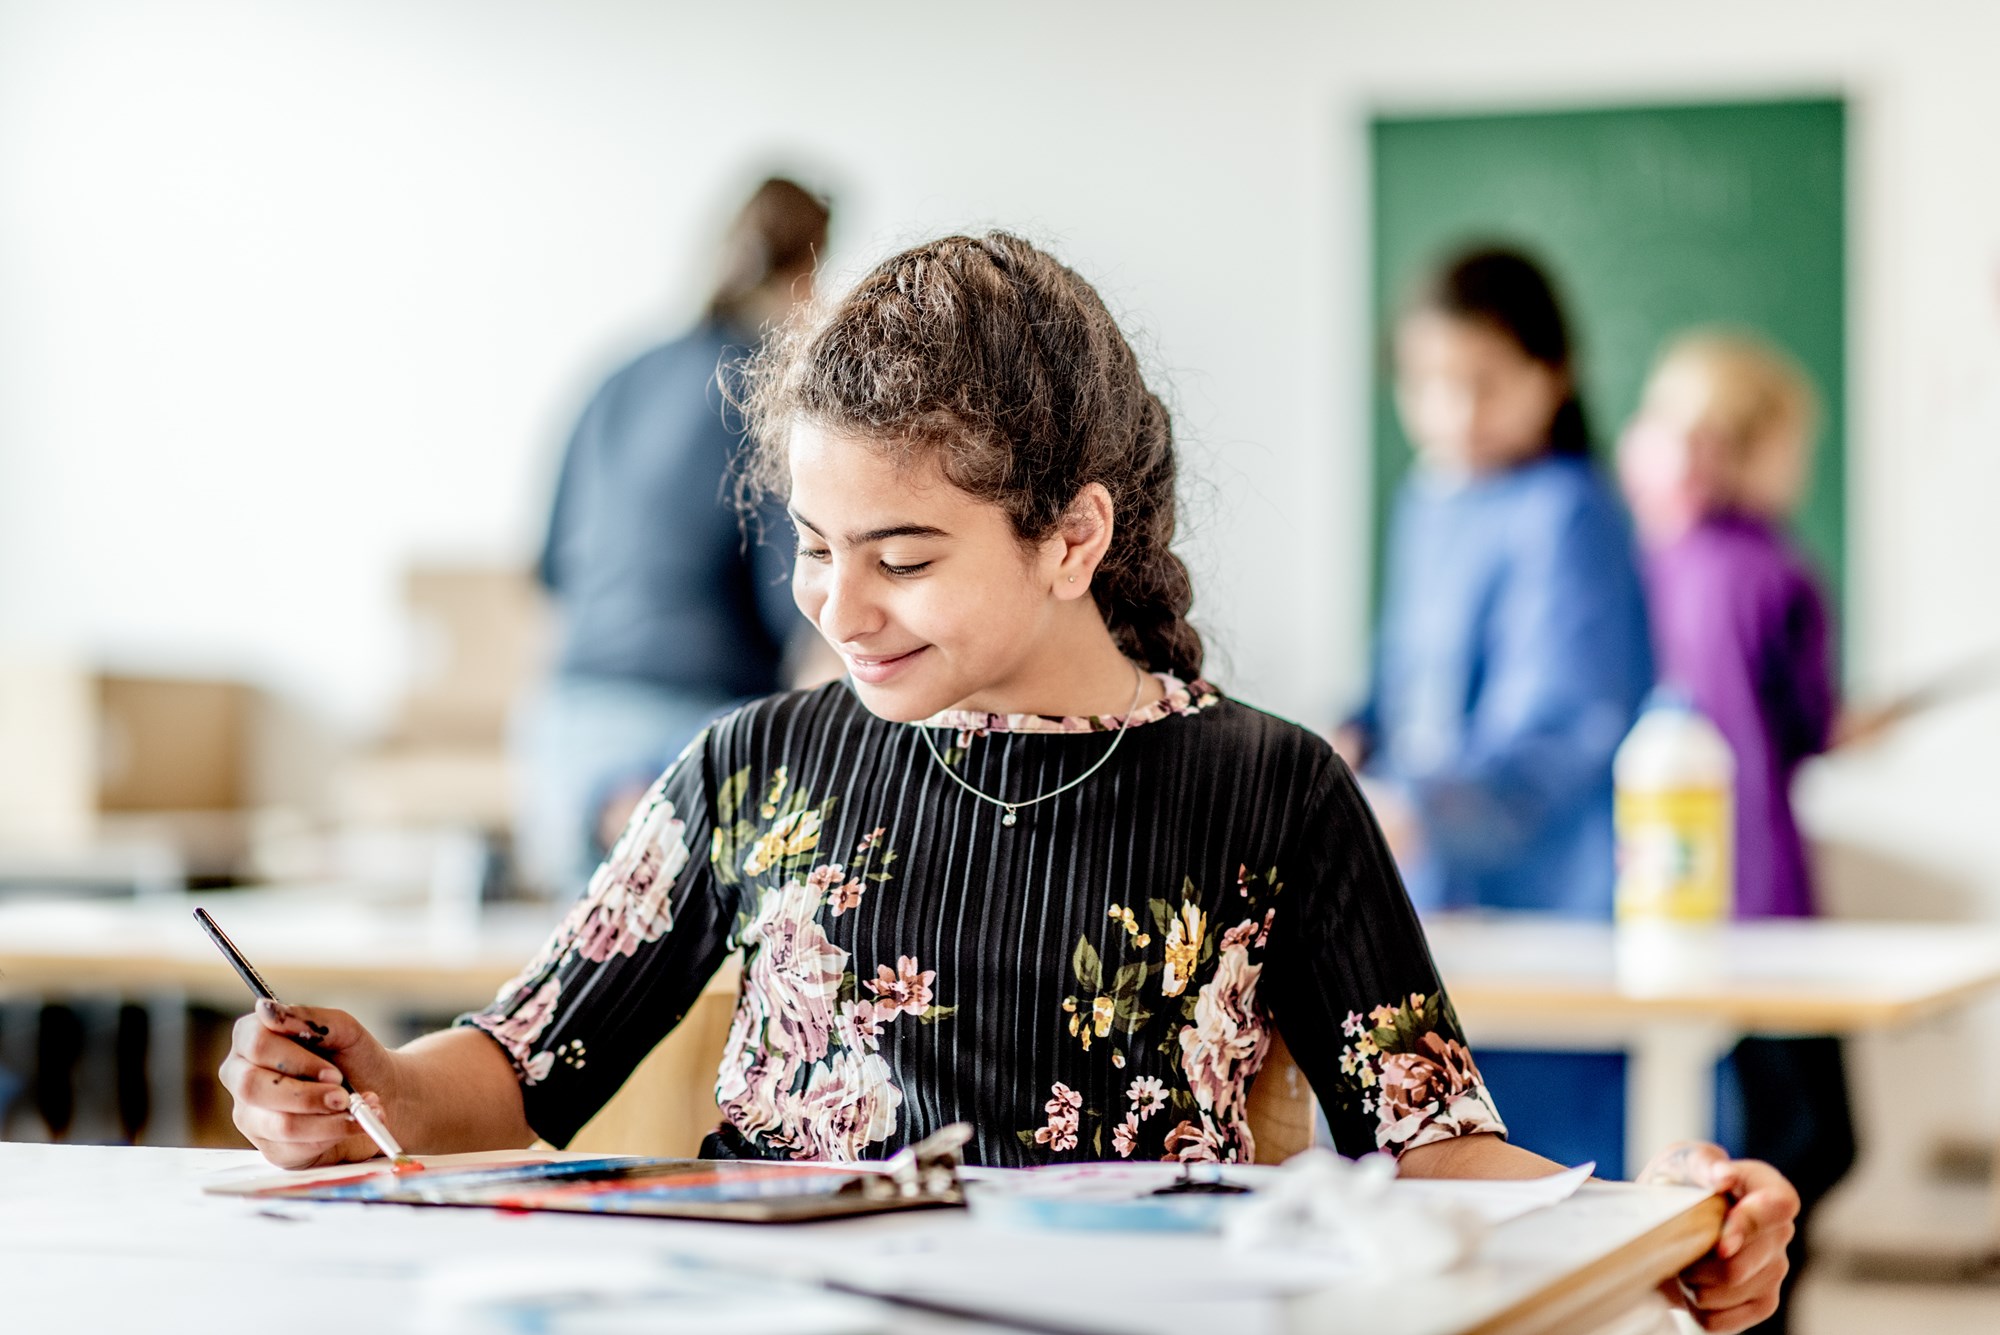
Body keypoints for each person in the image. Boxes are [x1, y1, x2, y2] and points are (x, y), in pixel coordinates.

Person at [224, 234, 1796, 1332]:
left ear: (1073, 536)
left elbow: (1435, 1143)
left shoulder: (1272, 790)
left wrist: (1668, 1212)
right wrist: (368, 1089)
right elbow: (521, 1063)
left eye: (904, 557)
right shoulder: (747, 765)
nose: (840, 608)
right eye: (815, 548)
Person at [1337, 247, 1654, 1173]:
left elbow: (1563, 727)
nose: (1456, 412)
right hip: (1434, 888)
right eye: (1429, 384)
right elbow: (1400, 673)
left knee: (1548, 1162)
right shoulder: (1428, 497)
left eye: (1485, 383)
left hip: (1546, 892)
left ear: (1552, 374)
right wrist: (1349, 739)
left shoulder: (1570, 510)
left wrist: (1420, 804)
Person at [1618, 331, 1856, 1333]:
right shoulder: (1776, 571)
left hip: (1667, 898)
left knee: (1734, 1125)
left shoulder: (1647, 567)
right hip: (1768, 900)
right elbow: (1808, 726)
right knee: (1815, 1137)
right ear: (1749, 447)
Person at [516, 176, 835, 897]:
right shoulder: (765, 390)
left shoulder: (620, 374)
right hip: (690, 729)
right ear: (804, 279)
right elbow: (806, 596)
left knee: (590, 952)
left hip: (563, 721)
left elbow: (551, 567)